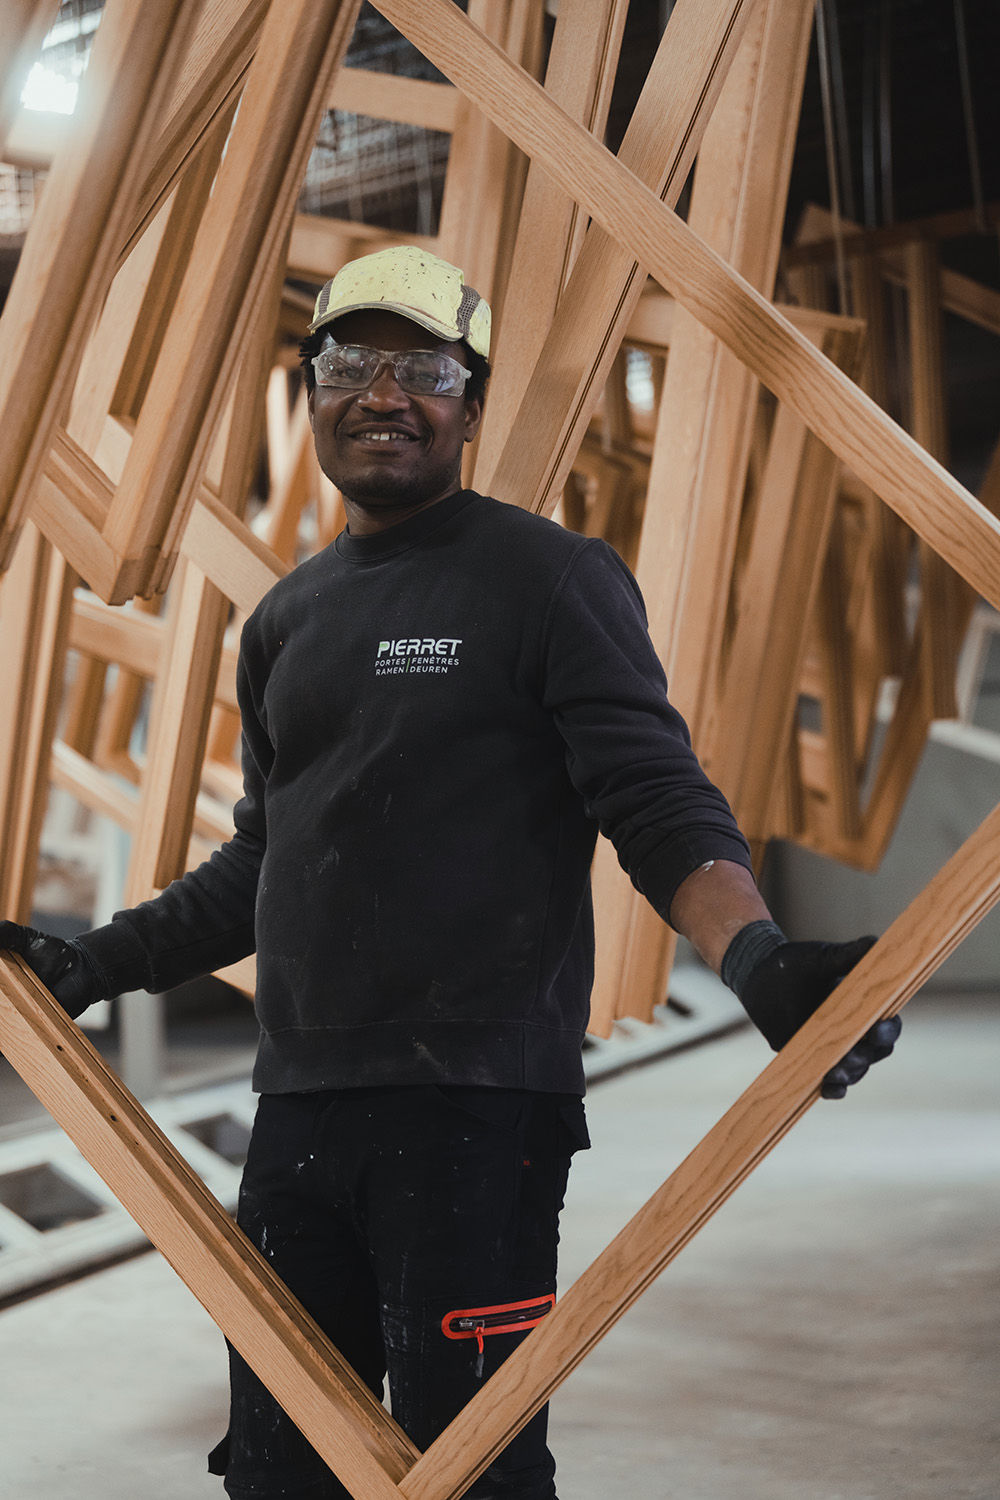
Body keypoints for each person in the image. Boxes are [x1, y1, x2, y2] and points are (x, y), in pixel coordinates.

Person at [0, 244, 900, 1500]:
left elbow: (653, 800)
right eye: (351, 364)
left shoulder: (549, 580)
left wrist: (758, 957)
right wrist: (90, 962)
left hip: (479, 1112)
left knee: (469, 1464)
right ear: (310, 389)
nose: (383, 393)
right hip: (300, 1111)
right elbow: (266, 858)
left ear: (470, 405)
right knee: (279, 1463)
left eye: (423, 368)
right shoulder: (286, 621)